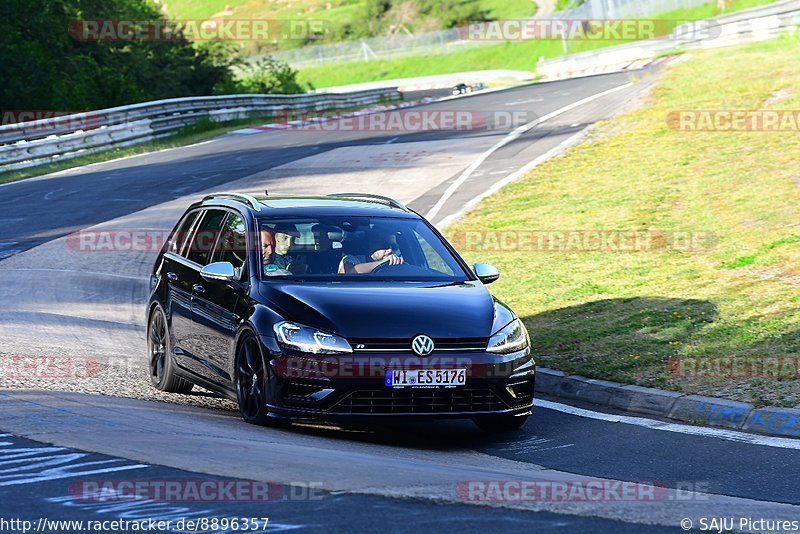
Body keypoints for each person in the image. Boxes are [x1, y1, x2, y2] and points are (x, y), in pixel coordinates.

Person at [338, 229, 403, 274]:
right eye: (385, 245)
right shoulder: (352, 259)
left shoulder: (397, 263)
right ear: (372, 244)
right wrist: (382, 263)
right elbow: (349, 272)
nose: (390, 250)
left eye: (394, 246)